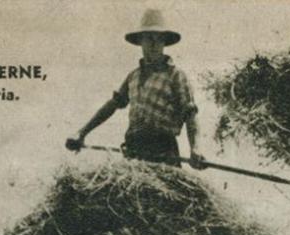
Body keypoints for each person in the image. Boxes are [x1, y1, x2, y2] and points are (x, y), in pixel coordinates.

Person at [66, 9, 205, 169]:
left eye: (158, 39)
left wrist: (195, 148)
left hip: (162, 150)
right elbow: (113, 105)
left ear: (164, 43)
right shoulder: (133, 76)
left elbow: (190, 114)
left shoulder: (175, 75)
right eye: (148, 38)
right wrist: (81, 133)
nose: (153, 44)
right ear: (140, 41)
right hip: (134, 148)